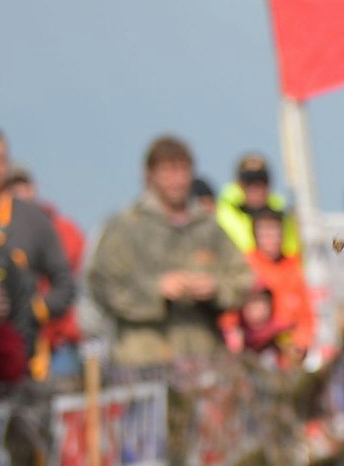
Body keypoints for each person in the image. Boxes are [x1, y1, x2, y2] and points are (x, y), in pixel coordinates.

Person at [87, 135, 253, 366]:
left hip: (202, 359)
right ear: (150, 175)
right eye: (168, 171)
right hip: (143, 361)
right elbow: (102, 286)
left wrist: (215, 288)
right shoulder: (126, 227)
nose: (177, 180)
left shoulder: (208, 228)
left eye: (183, 171)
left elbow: (243, 279)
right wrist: (157, 289)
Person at [0, 131, 79, 387]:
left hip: (25, 358)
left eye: (0, 160)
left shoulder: (33, 220)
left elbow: (65, 283)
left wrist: (33, 310)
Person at [235, 207, 315, 361]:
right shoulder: (245, 266)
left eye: (275, 233)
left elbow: (307, 313)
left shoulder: (295, 266)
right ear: (255, 236)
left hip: (290, 348)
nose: (270, 239)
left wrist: (301, 341)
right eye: (265, 234)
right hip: (255, 348)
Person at [219, 152, 299, 257]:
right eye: (249, 182)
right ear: (239, 184)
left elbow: (293, 254)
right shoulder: (221, 217)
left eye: (262, 181)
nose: (256, 188)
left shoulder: (283, 217)